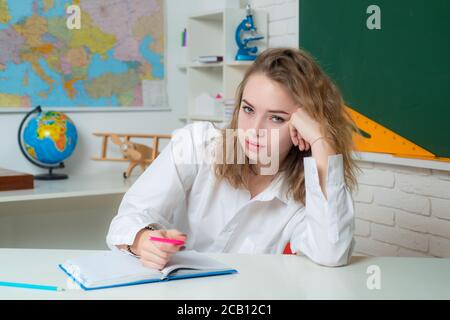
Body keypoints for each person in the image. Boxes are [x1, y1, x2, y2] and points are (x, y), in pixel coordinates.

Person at [106, 47, 360, 270]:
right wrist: (143, 239)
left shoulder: (310, 188)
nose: (253, 129)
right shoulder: (197, 144)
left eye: (276, 118)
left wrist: (322, 142)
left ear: (303, 126)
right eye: (248, 109)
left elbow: (331, 254)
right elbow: (127, 218)